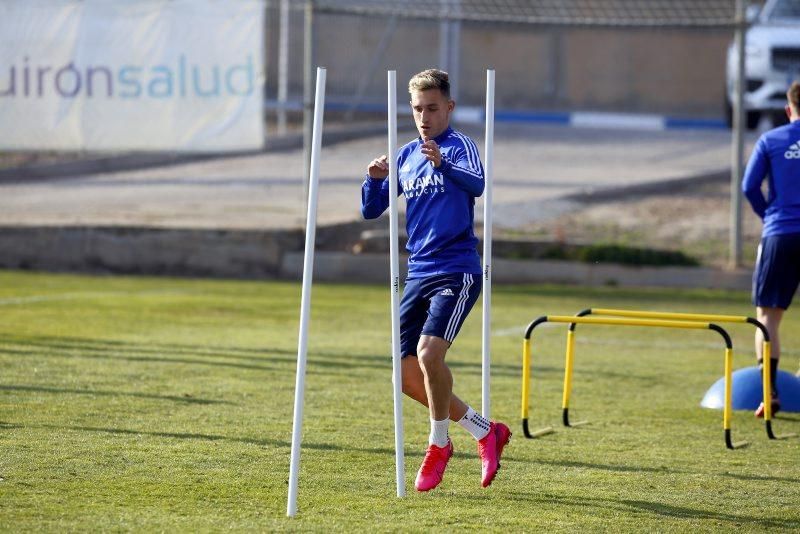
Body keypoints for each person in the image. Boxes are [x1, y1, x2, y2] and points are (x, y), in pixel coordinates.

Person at [360, 69, 510, 492]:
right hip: (418, 272)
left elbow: (478, 185)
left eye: (431, 108)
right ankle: (485, 431)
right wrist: (372, 180)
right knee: (403, 377)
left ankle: (438, 444)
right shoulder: (407, 154)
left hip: (457, 268)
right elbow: (373, 210)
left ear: (448, 107)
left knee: (429, 355)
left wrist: (443, 164)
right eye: (416, 109)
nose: (423, 117)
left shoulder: (459, 147)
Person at [742, 80, 800, 417]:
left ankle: (770, 393)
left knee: (768, 317)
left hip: (780, 234)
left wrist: (770, 216)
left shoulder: (771, 139)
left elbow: (749, 186)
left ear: (788, 109)